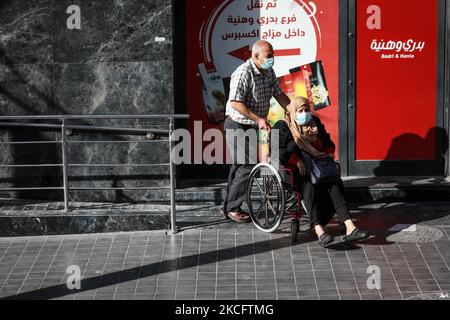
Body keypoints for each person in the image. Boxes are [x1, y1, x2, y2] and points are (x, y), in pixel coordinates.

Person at [273, 96, 369, 247]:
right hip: (295, 170)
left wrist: (329, 154)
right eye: (300, 110)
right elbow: (277, 150)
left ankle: (350, 227)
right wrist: (296, 161)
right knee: (308, 186)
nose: (304, 113)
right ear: (292, 111)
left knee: (334, 183)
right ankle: (320, 232)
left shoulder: (314, 122)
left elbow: (328, 141)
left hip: (317, 166)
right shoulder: (282, 125)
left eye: (306, 110)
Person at [222, 40, 291, 223]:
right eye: (269, 56)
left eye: (272, 55)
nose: (272, 59)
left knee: (240, 165)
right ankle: (233, 208)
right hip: (237, 123)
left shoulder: (268, 71)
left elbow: (279, 94)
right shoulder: (243, 73)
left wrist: (291, 109)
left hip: (254, 124)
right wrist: (259, 119)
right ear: (256, 56)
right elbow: (235, 103)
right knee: (247, 165)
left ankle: (229, 206)